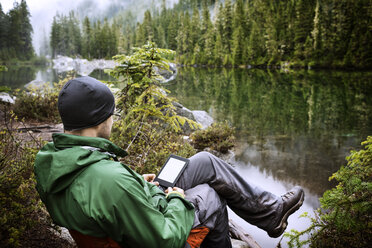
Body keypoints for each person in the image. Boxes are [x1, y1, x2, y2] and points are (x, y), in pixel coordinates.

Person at [34, 76, 305, 248]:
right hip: (150, 228)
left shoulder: (52, 160)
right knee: (209, 195)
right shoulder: (110, 181)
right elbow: (164, 239)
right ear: (99, 119)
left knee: (205, 161)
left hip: (131, 214)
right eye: (111, 113)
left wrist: (138, 182)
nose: (113, 118)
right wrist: (176, 199)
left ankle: (272, 212)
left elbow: (98, 196)